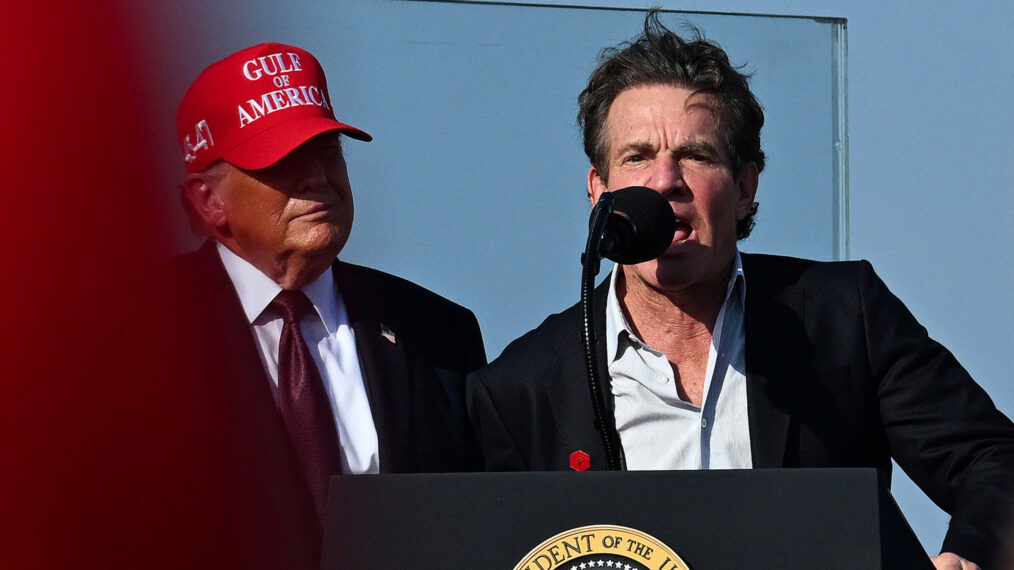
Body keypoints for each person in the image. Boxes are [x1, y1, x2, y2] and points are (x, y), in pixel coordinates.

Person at [466, 12, 1014, 570]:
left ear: (746, 187)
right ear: (598, 191)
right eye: (637, 157)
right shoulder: (521, 388)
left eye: (696, 156)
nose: (664, 182)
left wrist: (971, 557)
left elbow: (995, 461)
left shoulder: (843, 314)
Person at [171, 43, 486, 568]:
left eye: (327, 151)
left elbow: (475, 522)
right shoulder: (131, 332)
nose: (317, 176)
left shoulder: (436, 331)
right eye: (282, 160)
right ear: (208, 201)